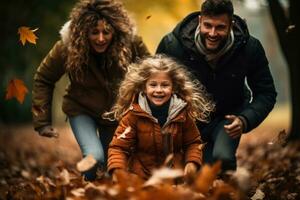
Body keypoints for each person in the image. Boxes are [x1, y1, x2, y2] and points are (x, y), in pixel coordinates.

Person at [32, 0, 149, 181]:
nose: (100, 38)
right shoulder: (67, 47)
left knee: (114, 164)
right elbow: (44, 78)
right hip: (81, 110)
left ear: (116, 32)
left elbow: (151, 74)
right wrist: (42, 122)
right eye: (94, 32)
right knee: (95, 157)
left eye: (106, 32)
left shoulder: (130, 44)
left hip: (114, 113)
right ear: (83, 32)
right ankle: (85, 188)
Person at [156, 0, 277, 172]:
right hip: (187, 120)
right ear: (200, 21)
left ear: (231, 24)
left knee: (222, 160)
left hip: (227, 119)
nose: (212, 33)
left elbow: (266, 93)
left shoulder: (250, 48)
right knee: (192, 173)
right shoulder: (172, 45)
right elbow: (154, 87)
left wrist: (244, 120)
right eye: (208, 26)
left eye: (220, 27)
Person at [104, 55, 215, 180]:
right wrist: (118, 171)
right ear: (143, 88)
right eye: (153, 85)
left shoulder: (182, 114)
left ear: (174, 88)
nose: (159, 90)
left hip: (174, 177)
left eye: (165, 85)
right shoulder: (133, 115)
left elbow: (193, 143)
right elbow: (118, 147)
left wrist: (192, 163)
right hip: (141, 177)